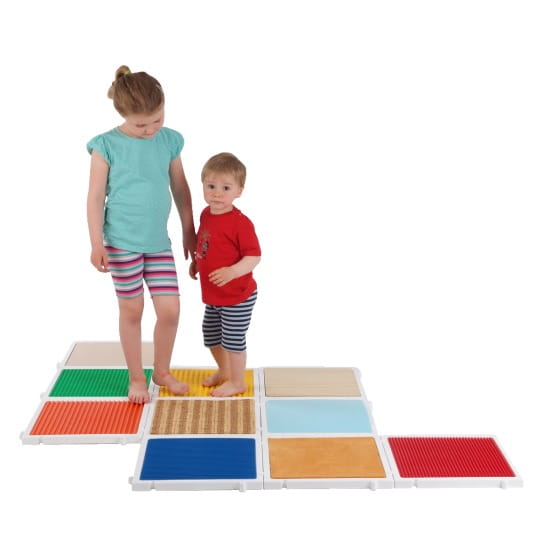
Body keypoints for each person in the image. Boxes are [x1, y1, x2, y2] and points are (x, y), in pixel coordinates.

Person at [86, 65, 195, 404]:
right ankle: (137, 378)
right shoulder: (106, 145)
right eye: (140, 125)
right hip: (121, 244)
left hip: (157, 244)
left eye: (157, 120)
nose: (150, 130)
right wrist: (96, 243)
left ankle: (161, 372)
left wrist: (189, 231)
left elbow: (180, 188)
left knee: (170, 310)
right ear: (123, 114)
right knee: (132, 311)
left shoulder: (169, 140)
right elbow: (94, 197)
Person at [190, 153, 261, 397]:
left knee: (233, 339)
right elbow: (206, 243)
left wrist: (233, 271)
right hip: (215, 296)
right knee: (210, 336)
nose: (217, 194)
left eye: (226, 188)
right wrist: (197, 262)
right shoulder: (205, 214)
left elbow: (254, 256)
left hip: (237, 296)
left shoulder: (240, 223)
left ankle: (237, 382)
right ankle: (225, 371)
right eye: (211, 186)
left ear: (239, 191)